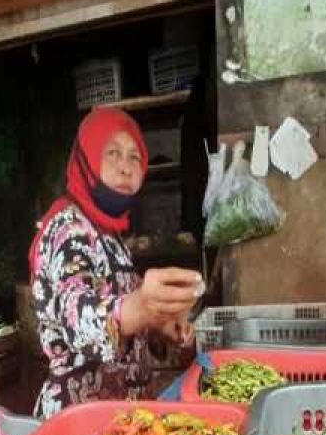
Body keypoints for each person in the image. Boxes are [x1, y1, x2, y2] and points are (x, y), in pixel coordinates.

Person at [29, 106, 203, 417]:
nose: (126, 167)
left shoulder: (110, 235)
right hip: (79, 422)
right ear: (87, 160)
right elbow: (76, 314)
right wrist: (139, 307)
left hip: (121, 416)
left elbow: (128, 322)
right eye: (113, 153)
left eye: (135, 157)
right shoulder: (68, 228)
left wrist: (161, 326)